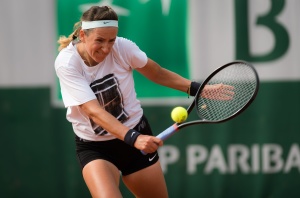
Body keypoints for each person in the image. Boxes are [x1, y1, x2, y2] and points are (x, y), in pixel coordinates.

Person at [55, 5, 233, 198]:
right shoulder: (67, 63)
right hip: (96, 147)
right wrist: (134, 138)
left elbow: (156, 72)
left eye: (111, 40)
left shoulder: (123, 48)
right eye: (99, 40)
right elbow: (93, 111)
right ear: (82, 35)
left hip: (136, 132)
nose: (106, 48)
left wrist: (199, 89)